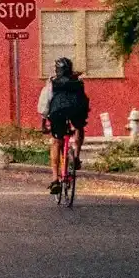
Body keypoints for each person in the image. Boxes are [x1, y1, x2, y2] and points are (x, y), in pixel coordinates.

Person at [38, 57, 89, 195]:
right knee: (79, 128)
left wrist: (43, 124)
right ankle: (77, 156)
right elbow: (84, 99)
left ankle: (55, 180)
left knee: (56, 142)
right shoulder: (78, 81)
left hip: (57, 112)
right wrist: (84, 116)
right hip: (76, 110)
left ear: (57, 70)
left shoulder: (52, 83)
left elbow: (44, 105)